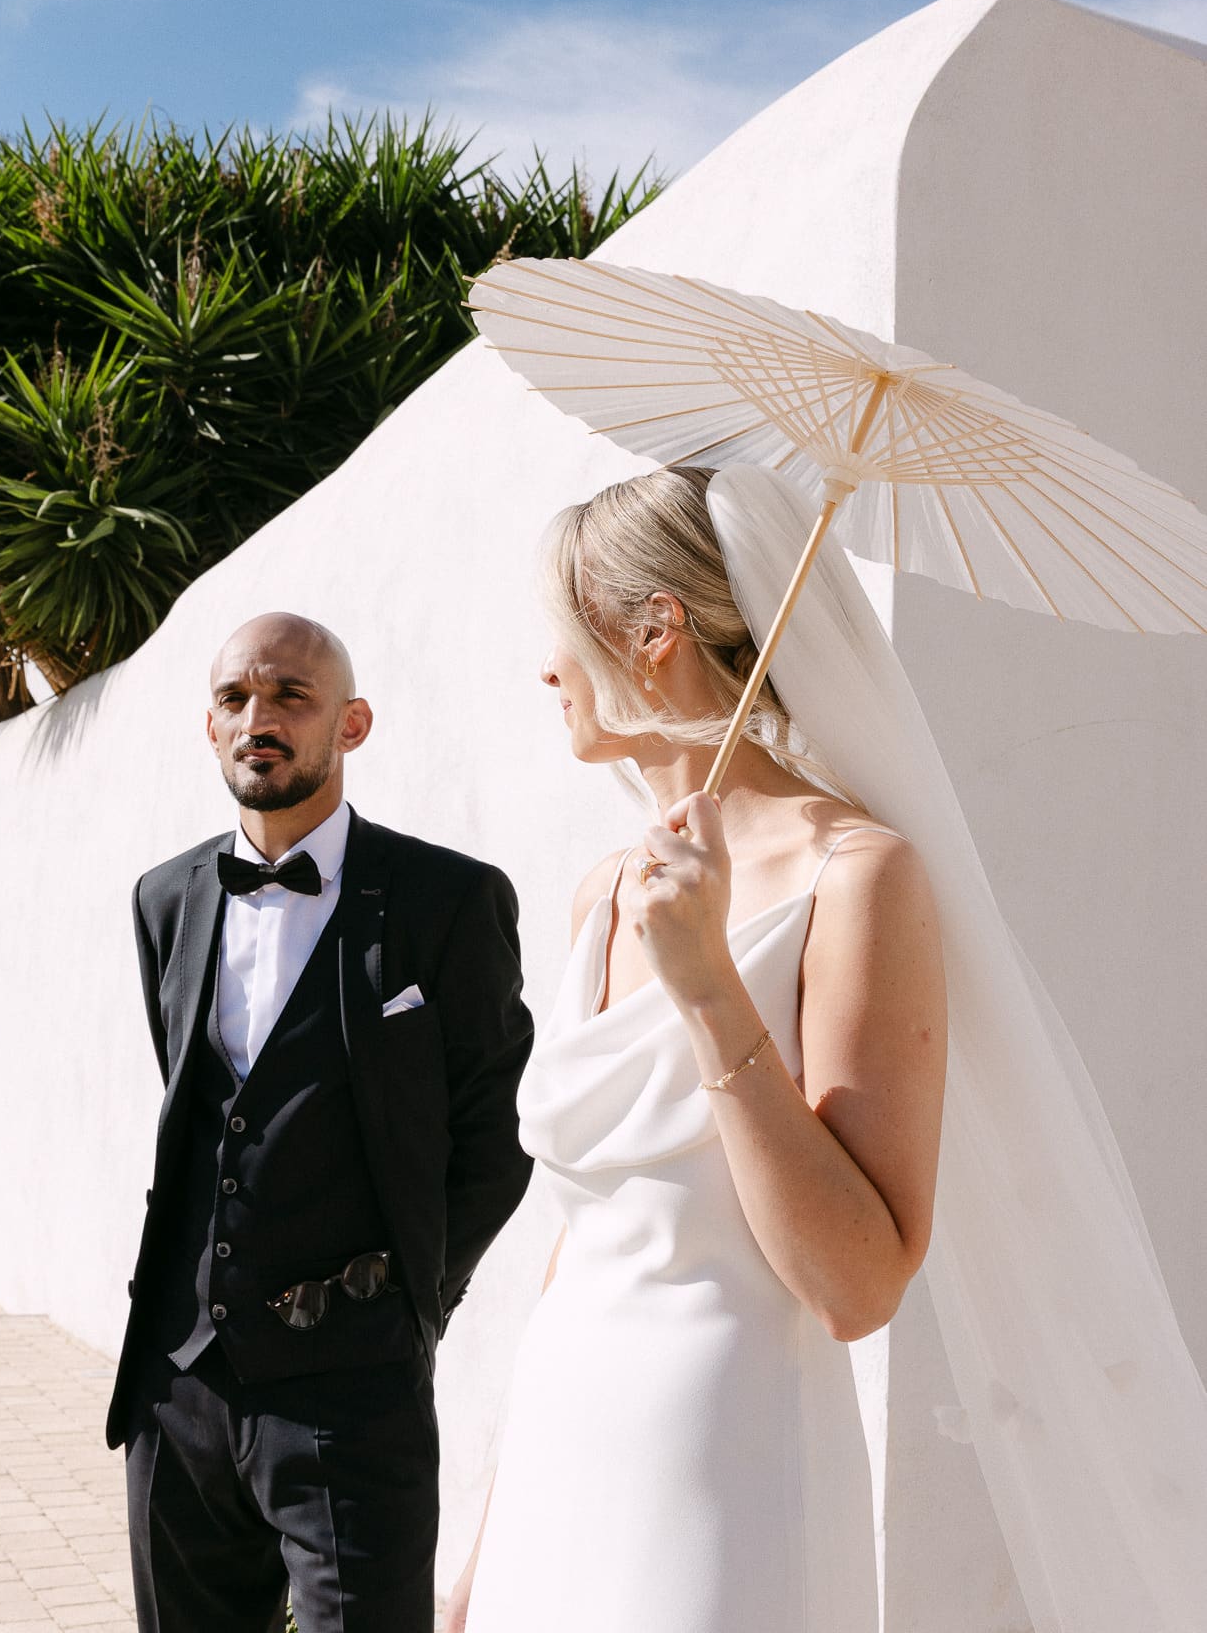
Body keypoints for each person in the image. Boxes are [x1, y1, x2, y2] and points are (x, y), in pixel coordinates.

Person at [449, 464, 1207, 1633]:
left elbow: (856, 1282)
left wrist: (706, 987)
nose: (544, 667)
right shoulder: (608, 889)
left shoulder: (857, 875)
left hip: (721, 1462)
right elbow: (582, 1240)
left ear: (652, 631)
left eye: (559, 630)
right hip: (561, 1441)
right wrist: (488, 1532)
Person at [106, 611, 534, 1633]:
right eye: (234, 698)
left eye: (291, 696)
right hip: (179, 1383)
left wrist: (412, 1300)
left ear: (352, 723)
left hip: (353, 1382)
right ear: (208, 724)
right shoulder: (164, 897)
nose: (260, 718)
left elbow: (496, 1132)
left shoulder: (446, 897)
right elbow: (204, 1108)